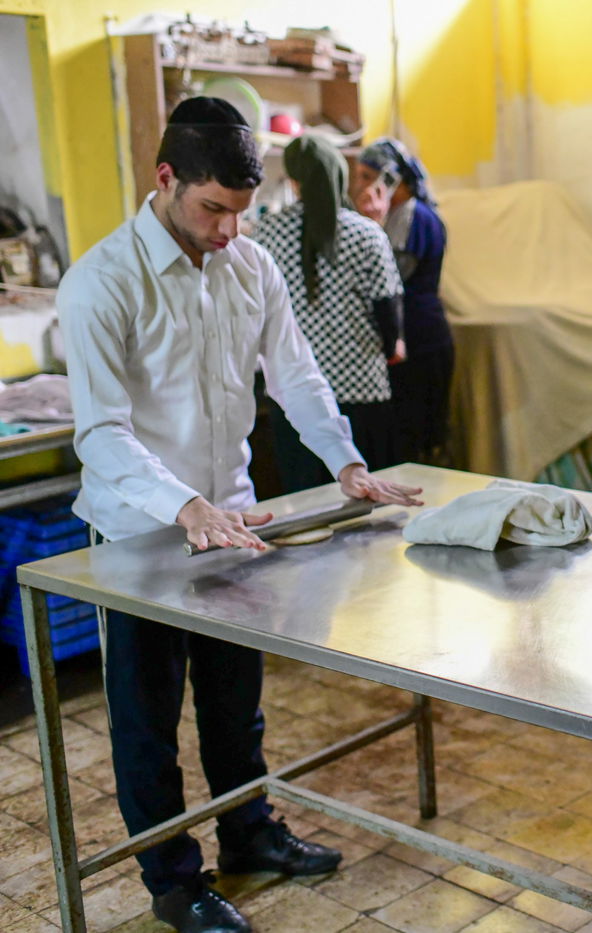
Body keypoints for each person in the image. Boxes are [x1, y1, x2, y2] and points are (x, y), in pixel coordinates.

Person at [56, 97, 423, 933]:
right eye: (213, 209)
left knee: (233, 700)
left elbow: (295, 375)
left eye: (240, 212)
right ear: (165, 179)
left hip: (233, 520)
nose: (227, 230)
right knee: (148, 717)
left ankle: (249, 832)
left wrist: (345, 460)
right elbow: (101, 433)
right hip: (139, 530)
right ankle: (173, 881)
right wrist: (182, 504)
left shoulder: (250, 265)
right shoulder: (101, 281)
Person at [253, 133, 405, 492]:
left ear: (293, 182)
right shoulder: (366, 234)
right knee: (369, 503)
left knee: (306, 504)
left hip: (293, 398)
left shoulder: (265, 234)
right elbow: (388, 312)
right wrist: (392, 347)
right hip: (362, 391)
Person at [350, 137, 455, 463]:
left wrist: (372, 227)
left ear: (392, 178)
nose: (360, 185)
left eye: (368, 177)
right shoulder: (397, 216)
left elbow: (389, 278)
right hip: (407, 342)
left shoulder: (414, 217)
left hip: (421, 342)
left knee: (417, 441)